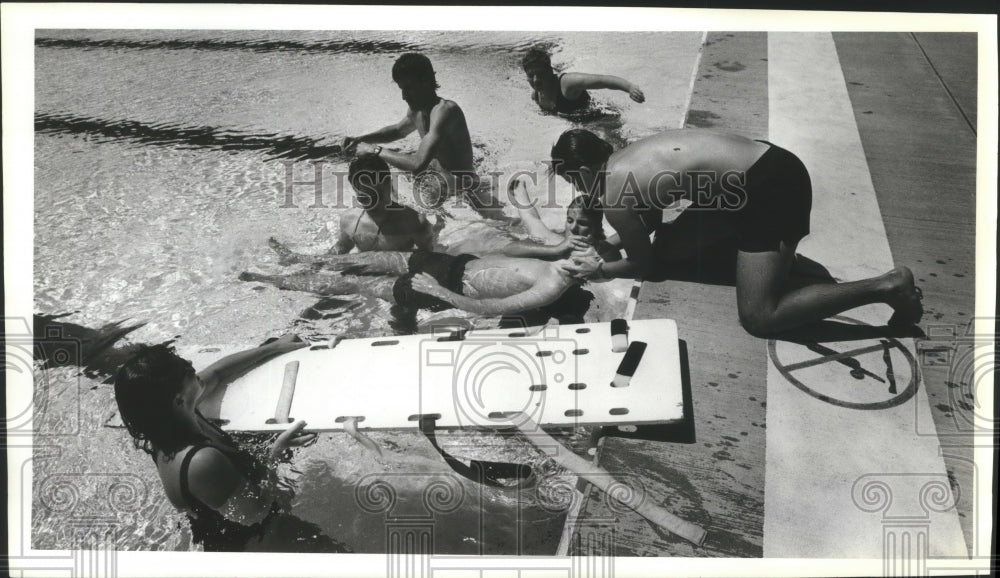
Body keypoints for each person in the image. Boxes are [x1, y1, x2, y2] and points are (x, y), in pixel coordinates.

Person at [549, 128, 924, 337]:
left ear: (580, 170)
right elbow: (647, 223)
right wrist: (609, 244)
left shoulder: (614, 192)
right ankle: (776, 264)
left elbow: (643, 266)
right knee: (671, 248)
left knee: (760, 317)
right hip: (764, 165)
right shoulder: (627, 158)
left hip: (769, 191)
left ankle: (886, 286)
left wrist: (596, 271)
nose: (576, 190)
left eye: (571, 179)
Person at [114, 336, 350, 552]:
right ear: (178, 399)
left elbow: (217, 372)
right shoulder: (201, 462)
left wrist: (275, 347)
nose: (191, 363)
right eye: (185, 368)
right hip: (255, 543)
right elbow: (260, 511)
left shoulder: (170, 419)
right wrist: (277, 451)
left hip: (235, 523)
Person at [343, 53, 505, 219]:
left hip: (463, 184)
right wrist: (362, 139)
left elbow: (418, 163)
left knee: (500, 223)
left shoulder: (445, 111)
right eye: (401, 89)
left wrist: (374, 149)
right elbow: (398, 130)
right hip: (437, 181)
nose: (404, 96)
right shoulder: (418, 109)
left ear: (426, 81)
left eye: (408, 88)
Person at [275, 154, 441, 257]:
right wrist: (306, 263)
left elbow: (431, 257)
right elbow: (339, 251)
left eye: (370, 189)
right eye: (360, 191)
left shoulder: (412, 221)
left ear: (386, 184)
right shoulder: (350, 220)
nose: (364, 195)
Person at [521, 48, 645, 115]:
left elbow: (603, 80)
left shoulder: (567, 84)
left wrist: (630, 87)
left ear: (550, 71)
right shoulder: (536, 96)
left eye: (541, 74)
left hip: (605, 120)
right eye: (531, 75)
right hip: (585, 128)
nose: (536, 80)